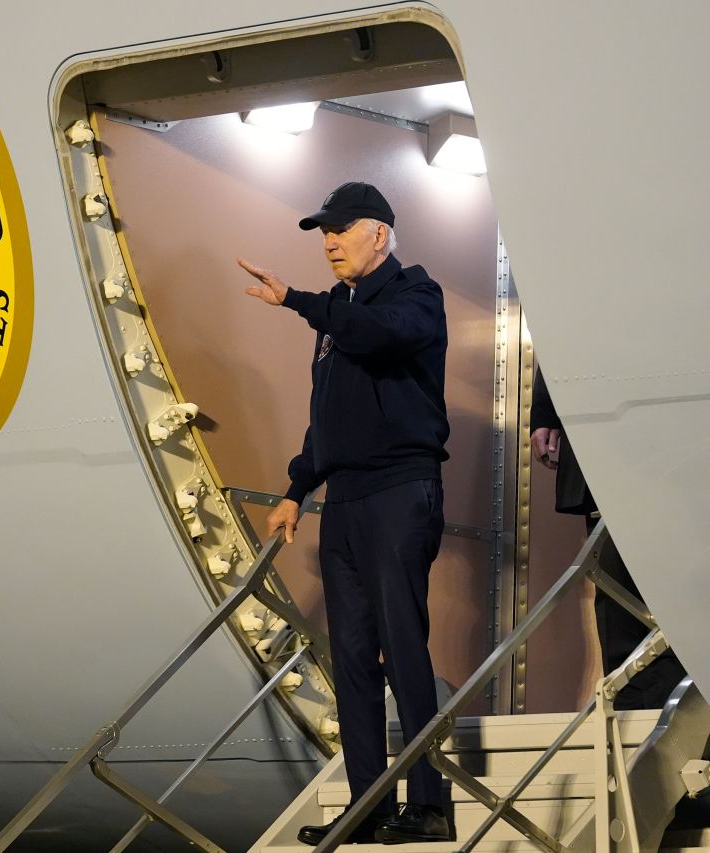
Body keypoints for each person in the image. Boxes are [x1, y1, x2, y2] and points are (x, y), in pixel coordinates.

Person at [239, 182, 450, 845]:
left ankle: (430, 804)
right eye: (321, 232)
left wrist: (300, 303)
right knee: (354, 655)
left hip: (399, 491)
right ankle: (370, 803)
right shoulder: (338, 315)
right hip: (347, 501)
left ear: (379, 234)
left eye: (340, 228)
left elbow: (379, 334)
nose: (327, 240)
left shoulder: (415, 296)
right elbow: (324, 419)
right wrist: (297, 489)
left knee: (401, 644)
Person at [531, 368, 686, 709]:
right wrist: (544, 410)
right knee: (616, 585)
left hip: (674, 426)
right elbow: (563, 321)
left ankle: (676, 706)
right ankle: (636, 709)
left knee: (674, 582)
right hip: (602, 429)